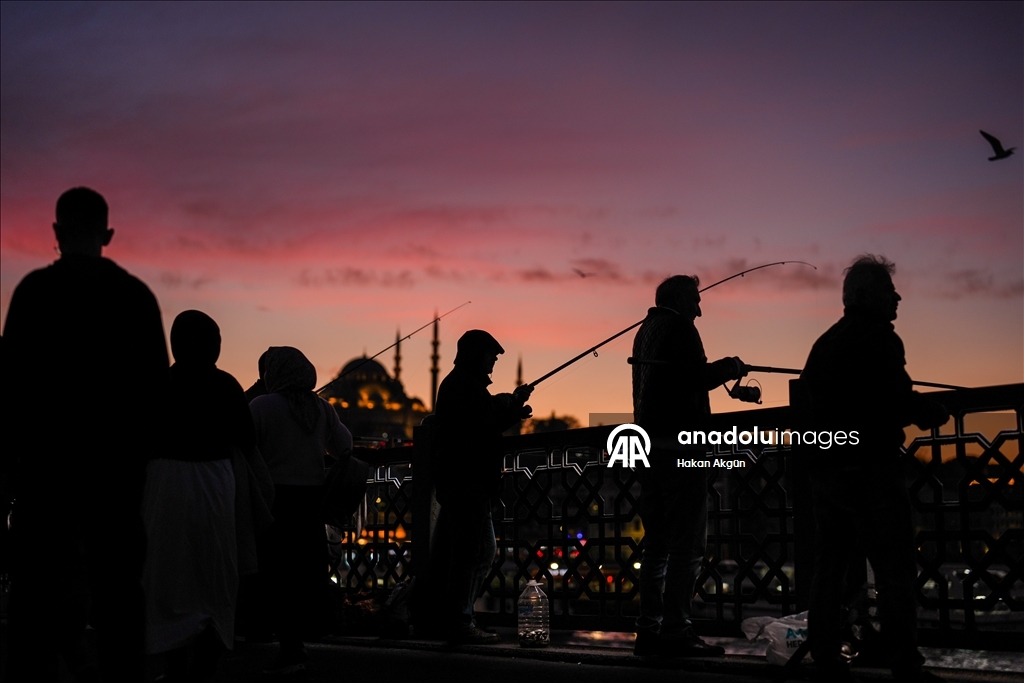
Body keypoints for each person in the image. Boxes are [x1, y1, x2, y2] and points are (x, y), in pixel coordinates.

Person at [2, 187, 170, 682]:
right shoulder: (136, 297)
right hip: (114, 473)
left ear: (56, 232)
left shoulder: (34, 293)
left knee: (33, 596)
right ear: (108, 234)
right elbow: (156, 393)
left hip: (44, 469)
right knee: (119, 596)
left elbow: (11, 387)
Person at [801, 255, 948, 683]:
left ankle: (825, 653)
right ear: (866, 296)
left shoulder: (823, 345)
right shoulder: (881, 339)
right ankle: (903, 660)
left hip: (827, 471)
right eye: (889, 290)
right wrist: (930, 411)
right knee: (894, 567)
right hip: (872, 471)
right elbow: (897, 400)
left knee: (830, 568)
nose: (897, 296)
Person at [630, 275, 746, 657]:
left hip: (649, 448)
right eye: (696, 300)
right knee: (687, 545)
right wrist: (728, 367)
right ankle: (677, 631)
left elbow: (669, 381)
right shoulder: (680, 327)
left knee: (657, 546)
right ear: (680, 299)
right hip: (680, 448)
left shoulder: (647, 329)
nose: (700, 308)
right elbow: (692, 378)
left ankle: (649, 631)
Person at [142, 310, 257, 681]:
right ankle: (204, 665)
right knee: (215, 574)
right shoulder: (227, 386)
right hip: (215, 482)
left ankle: (175, 665)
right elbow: (247, 438)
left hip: (164, 484)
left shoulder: (157, 383)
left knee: (169, 571)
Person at [249, 346, 353, 676]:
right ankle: (297, 642)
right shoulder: (321, 408)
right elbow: (345, 447)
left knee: (275, 572)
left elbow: (246, 449)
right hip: (310, 502)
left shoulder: (262, 406)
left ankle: (285, 642)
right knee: (304, 571)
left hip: (274, 500)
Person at [431, 330, 533, 644]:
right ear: (477, 355)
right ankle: (459, 622)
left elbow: (484, 426)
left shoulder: (463, 386)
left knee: (480, 552)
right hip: (467, 483)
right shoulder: (463, 386)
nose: (493, 363)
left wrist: (512, 408)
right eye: (491, 356)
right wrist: (509, 407)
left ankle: (456, 617)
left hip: (470, 485)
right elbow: (479, 428)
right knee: (469, 554)